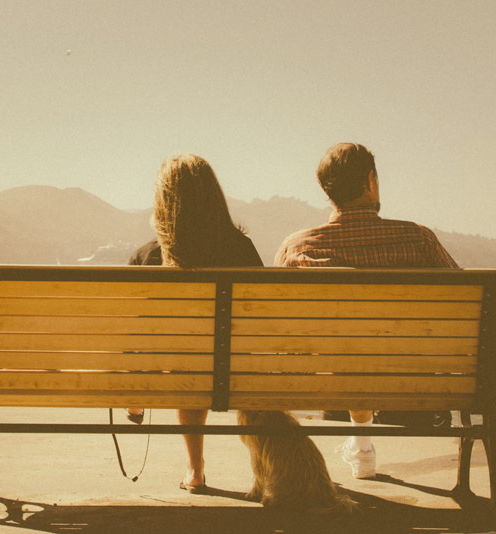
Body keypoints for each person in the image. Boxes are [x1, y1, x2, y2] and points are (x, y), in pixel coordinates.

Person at [274, 142, 458, 479]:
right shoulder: (418, 240)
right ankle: (362, 441)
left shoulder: (297, 248)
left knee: (342, 367)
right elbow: (463, 310)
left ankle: (360, 440)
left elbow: (275, 327)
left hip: (333, 392)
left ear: (327, 191)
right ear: (371, 181)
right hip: (412, 393)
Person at [127, 153, 263, 493]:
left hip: (178, 370)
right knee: (203, 359)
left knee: (187, 365)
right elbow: (260, 317)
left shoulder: (147, 257)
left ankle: (195, 469)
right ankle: (265, 471)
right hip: (238, 369)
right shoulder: (241, 249)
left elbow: (131, 329)